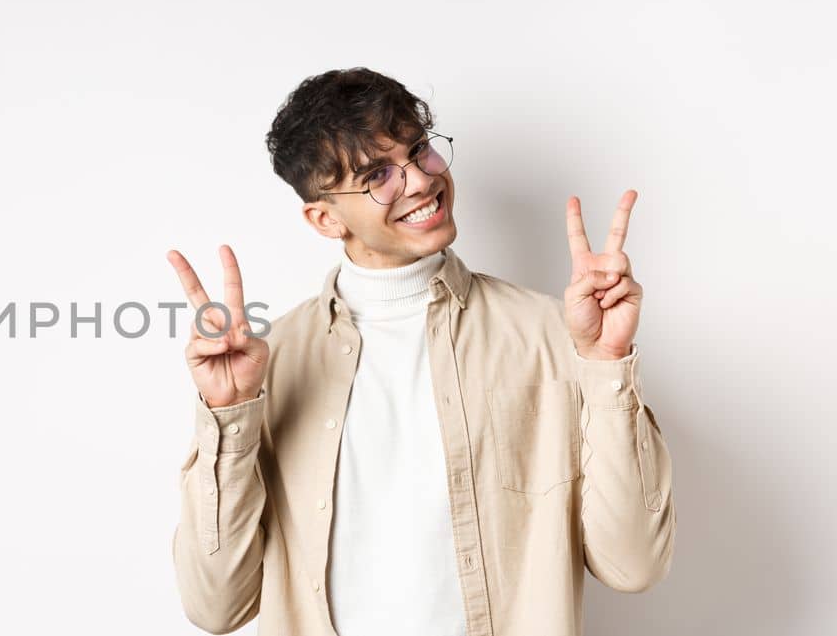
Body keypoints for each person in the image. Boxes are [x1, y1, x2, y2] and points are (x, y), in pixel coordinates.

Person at [166, 67, 675, 636]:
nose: (418, 181)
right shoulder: (269, 363)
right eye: (377, 175)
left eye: (420, 151)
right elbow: (217, 609)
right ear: (324, 217)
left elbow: (634, 566)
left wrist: (606, 365)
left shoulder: (554, 336)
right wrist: (230, 419)